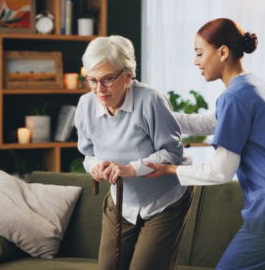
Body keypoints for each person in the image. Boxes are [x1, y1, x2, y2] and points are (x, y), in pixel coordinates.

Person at [139, 18, 265, 270]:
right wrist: (155, 116)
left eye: (199, 53)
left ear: (222, 52)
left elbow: (220, 171)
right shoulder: (252, 85)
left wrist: (170, 170)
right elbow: (207, 123)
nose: (195, 61)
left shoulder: (233, 97)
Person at [74, 35, 193, 270]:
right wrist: (95, 166)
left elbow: (173, 151)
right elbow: (87, 154)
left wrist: (131, 169)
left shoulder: (151, 100)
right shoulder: (85, 105)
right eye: (92, 80)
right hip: (121, 202)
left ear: (128, 76)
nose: (99, 89)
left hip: (164, 202)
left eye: (107, 79)